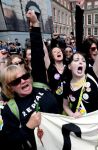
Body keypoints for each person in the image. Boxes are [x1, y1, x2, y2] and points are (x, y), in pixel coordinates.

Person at [1, 10, 59, 150]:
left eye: (25, 76)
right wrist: (28, 127)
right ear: (10, 87)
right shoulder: (10, 110)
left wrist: (35, 24)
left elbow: (38, 54)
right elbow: (7, 142)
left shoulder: (39, 84)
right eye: (16, 81)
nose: (23, 81)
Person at [63, 7, 98, 118]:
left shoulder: (91, 74)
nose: (81, 62)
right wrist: (72, 114)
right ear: (70, 66)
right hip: (80, 128)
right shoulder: (66, 84)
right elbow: (65, 105)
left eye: (83, 61)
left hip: (96, 124)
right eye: (76, 60)